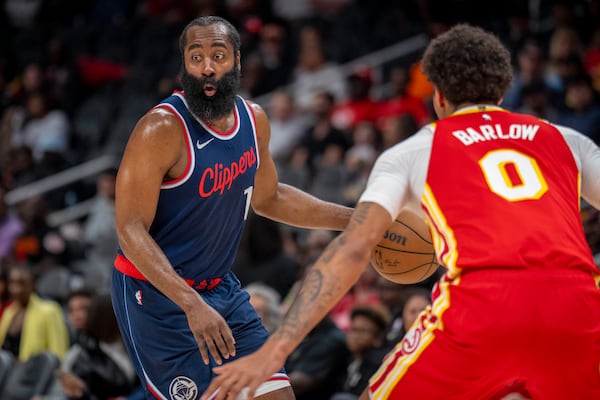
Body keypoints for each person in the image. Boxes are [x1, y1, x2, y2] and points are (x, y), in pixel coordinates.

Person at [202, 24, 600, 400]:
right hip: (577, 303)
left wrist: (277, 348)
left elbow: (353, 250)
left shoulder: (413, 152)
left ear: (438, 96)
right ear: (502, 91)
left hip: (482, 305)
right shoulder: (567, 139)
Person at [111, 16, 352, 400]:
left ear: (237, 61)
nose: (207, 67)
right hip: (157, 297)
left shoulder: (253, 120)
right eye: (196, 57)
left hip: (221, 289)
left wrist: (355, 221)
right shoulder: (160, 129)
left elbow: (270, 198)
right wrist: (190, 303)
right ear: (185, 65)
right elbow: (129, 230)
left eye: (218, 55)